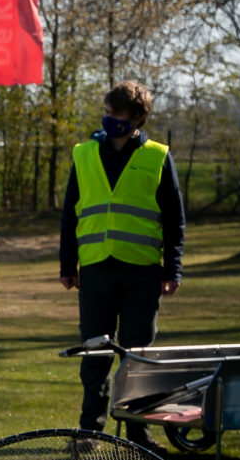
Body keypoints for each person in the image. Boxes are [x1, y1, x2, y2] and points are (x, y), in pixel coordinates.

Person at [60, 80, 184, 439]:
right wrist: (68, 266)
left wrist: (173, 267)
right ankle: (91, 430)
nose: (108, 118)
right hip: (96, 269)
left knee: (137, 355)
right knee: (95, 353)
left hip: (142, 273)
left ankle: (137, 432)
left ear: (137, 118)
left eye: (117, 113)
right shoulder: (83, 154)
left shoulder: (158, 156)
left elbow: (174, 218)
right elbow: (70, 215)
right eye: (108, 111)